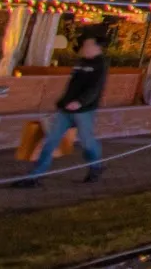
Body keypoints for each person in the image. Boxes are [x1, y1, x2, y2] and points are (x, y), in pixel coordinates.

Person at [16, 29, 109, 186]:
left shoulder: (100, 64)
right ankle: (36, 175)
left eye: (88, 45)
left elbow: (95, 87)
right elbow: (72, 85)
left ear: (97, 47)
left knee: (87, 142)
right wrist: (63, 101)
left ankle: (96, 167)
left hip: (84, 110)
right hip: (66, 109)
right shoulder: (81, 63)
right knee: (51, 141)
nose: (84, 48)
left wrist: (80, 102)